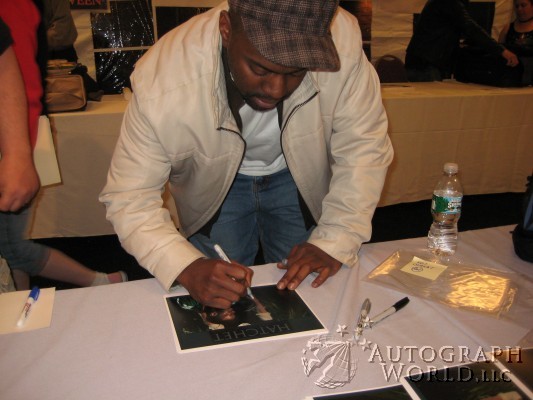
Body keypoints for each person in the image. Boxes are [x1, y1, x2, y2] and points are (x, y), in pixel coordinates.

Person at [100, 0, 393, 309]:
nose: (276, 89)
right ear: (226, 29)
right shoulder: (164, 77)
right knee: (216, 296)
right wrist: (184, 265)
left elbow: (363, 149)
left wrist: (335, 241)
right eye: (260, 68)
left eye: (296, 72)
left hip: (297, 175)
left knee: (309, 296)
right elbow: (130, 196)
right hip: (215, 182)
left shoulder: (338, 38)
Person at [0, 2, 126, 290]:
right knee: (12, 247)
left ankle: (101, 281)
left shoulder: (14, 7)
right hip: (18, 136)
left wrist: (16, 152)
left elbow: (18, 75)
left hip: (13, 138)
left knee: (13, 247)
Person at [405, 0, 519, 82]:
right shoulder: (451, 2)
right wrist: (501, 51)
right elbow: (471, 28)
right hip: (427, 65)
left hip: (422, 61)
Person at [499, 0, 533, 85]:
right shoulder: (507, 29)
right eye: (517, 6)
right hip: (511, 77)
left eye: (523, 5)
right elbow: (500, 51)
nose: (519, 9)